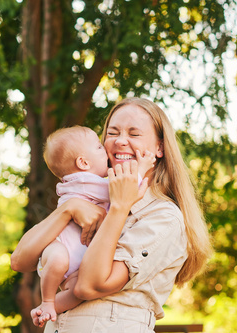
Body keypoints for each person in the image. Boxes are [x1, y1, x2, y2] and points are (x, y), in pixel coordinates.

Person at [11, 97, 213, 332]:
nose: (120, 141)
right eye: (112, 133)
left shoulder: (163, 217)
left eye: (134, 134)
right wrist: (68, 209)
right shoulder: (87, 197)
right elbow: (19, 261)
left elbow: (89, 287)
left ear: (159, 147)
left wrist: (119, 207)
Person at [32, 125, 156, 327]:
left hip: (78, 261)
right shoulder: (84, 181)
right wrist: (142, 167)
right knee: (57, 259)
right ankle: (47, 299)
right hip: (62, 247)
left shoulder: (86, 181)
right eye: (99, 147)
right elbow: (124, 189)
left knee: (76, 293)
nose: (105, 151)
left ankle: (47, 308)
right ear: (83, 162)